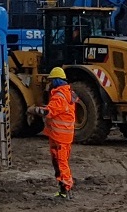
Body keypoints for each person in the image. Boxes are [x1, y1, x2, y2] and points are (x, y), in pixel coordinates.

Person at [32, 67, 76, 199]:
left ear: (56, 80)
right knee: (59, 162)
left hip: (60, 137)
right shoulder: (69, 93)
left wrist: (34, 110)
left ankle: (66, 190)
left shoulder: (59, 96)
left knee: (61, 163)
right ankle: (63, 189)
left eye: (51, 80)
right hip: (62, 136)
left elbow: (48, 112)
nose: (50, 83)